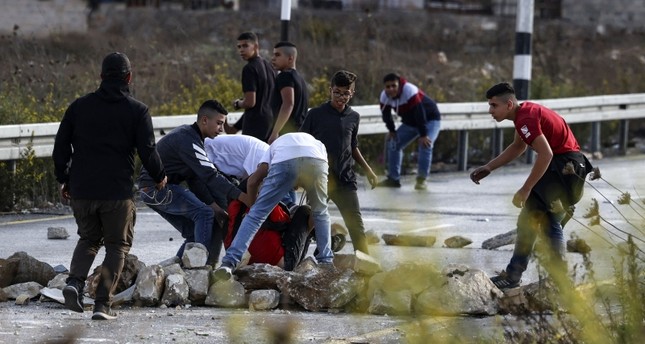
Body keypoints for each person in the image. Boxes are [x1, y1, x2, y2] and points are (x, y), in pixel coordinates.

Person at [52, 52, 167, 320]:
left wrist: (64, 178)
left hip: (82, 190)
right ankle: (103, 305)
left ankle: (75, 283)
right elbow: (147, 151)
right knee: (117, 246)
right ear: (129, 77)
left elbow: (60, 147)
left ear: (101, 77)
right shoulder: (138, 110)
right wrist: (160, 175)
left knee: (89, 239)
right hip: (117, 192)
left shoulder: (78, 107)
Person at [470, 82, 593, 289]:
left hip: (564, 167)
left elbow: (546, 154)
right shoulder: (524, 115)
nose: (490, 111)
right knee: (536, 219)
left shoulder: (525, 118)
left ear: (508, 104)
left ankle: (530, 277)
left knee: (540, 219)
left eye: (493, 106)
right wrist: (489, 167)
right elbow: (518, 147)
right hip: (572, 166)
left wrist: (526, 189)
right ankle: (524, 275)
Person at [137, 100, 252, 266]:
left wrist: (217, 208)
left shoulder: (194, 138)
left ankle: (175, 272)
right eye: (219, 123)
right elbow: (211, 176)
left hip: (152, 190)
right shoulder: (188, 140)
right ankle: (198, 271)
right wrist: (243, 197)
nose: (221, 129)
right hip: (155, 189)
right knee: (204, 214)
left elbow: (195, 179)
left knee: (193, 232)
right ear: (205, 120)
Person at [213, 132, 333, 280]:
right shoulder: (318, 144)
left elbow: (252, 182)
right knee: (321, 213)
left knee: (256, 216)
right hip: (317, 160)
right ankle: (326, 263)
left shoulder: (271, 149)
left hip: (285, 160)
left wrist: (253, 207)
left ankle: (229, 263)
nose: (294, 189)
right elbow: (317, 212)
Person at [300, 70, 378, 254]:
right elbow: (303, 143)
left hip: (345, 179)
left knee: (356, 225)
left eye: (345, 93)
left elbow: (353, 147)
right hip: (319, 178)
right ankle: (299, 262)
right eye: (337, 92)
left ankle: (366, 266)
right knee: (309, 224)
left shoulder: (353, 117)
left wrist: (368, 171)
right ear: (330, 90)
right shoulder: (315, 115)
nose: (340, 97)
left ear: (352, 93)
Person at [376, 73, 441, 190]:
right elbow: (386, 115)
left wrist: (424, 134)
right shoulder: (384, 96)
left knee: (425, 144)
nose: (391, 89)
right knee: (393, 142)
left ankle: (421, 180)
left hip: (430, 119)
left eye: (394, 86)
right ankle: (393, 179)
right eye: (388, 87)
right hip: (410, 123)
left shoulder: (409, 90)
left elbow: (420, 113)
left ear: (399, 84)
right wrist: (392, 130)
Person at [225, 32, 276, 142]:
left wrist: (238, 103)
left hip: (255, 125)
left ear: (256, 46)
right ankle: (233, 128)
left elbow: (250, 102)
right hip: (271, 122)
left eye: (245, 46)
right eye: (239, 47)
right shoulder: (270, 67)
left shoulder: (249, 69)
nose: (241, 50)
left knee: (252, 157)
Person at [268, 41, 309, 144]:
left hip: (287, 135)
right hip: (300, 134)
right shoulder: (300, 79)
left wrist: (275, 133)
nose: (273, 58)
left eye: (277, 55)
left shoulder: (284, 76)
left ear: (290, 58)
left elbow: (288, 104)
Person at [203, 134, 269, 183]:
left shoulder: (268, 153)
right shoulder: (264, 156)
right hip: (206, 151)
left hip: (215, 161)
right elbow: (250, 184)